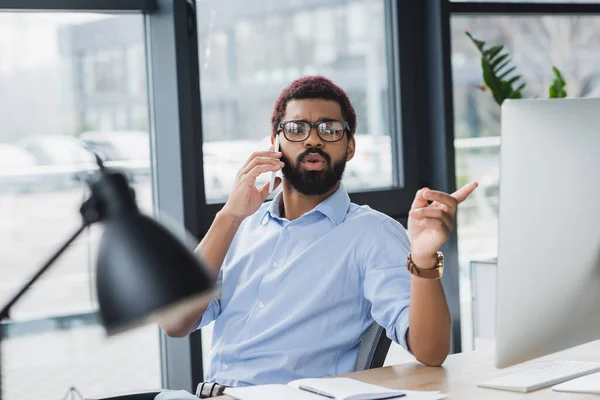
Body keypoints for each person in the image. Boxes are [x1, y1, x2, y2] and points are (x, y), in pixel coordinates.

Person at [158, 76, 478, 388]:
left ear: (350, 147)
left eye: (330, 129)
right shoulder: (240, 227)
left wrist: (423, 256)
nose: (313, 140)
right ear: (274, 145)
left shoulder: (372, 234)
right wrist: (229, 216)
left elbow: (432, 351)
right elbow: (174, 323)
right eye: (296, 129)